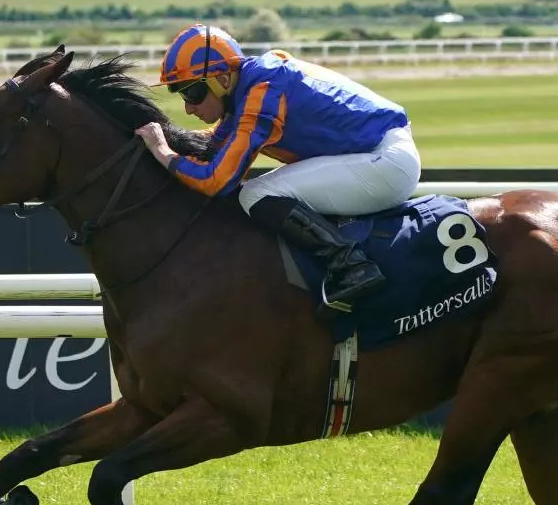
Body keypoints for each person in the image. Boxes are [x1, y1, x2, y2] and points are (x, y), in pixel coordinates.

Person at [133, 23, 421, 313]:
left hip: (386, 162)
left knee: (255, 194)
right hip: (379, 154)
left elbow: (218, 180)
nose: (188, 109)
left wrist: (165, 154)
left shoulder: (262, 90)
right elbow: (214, 147)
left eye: (192, 93)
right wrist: (167, 140)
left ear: (222, 78)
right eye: (181, 95)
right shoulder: (248, 89)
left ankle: (351, 266)